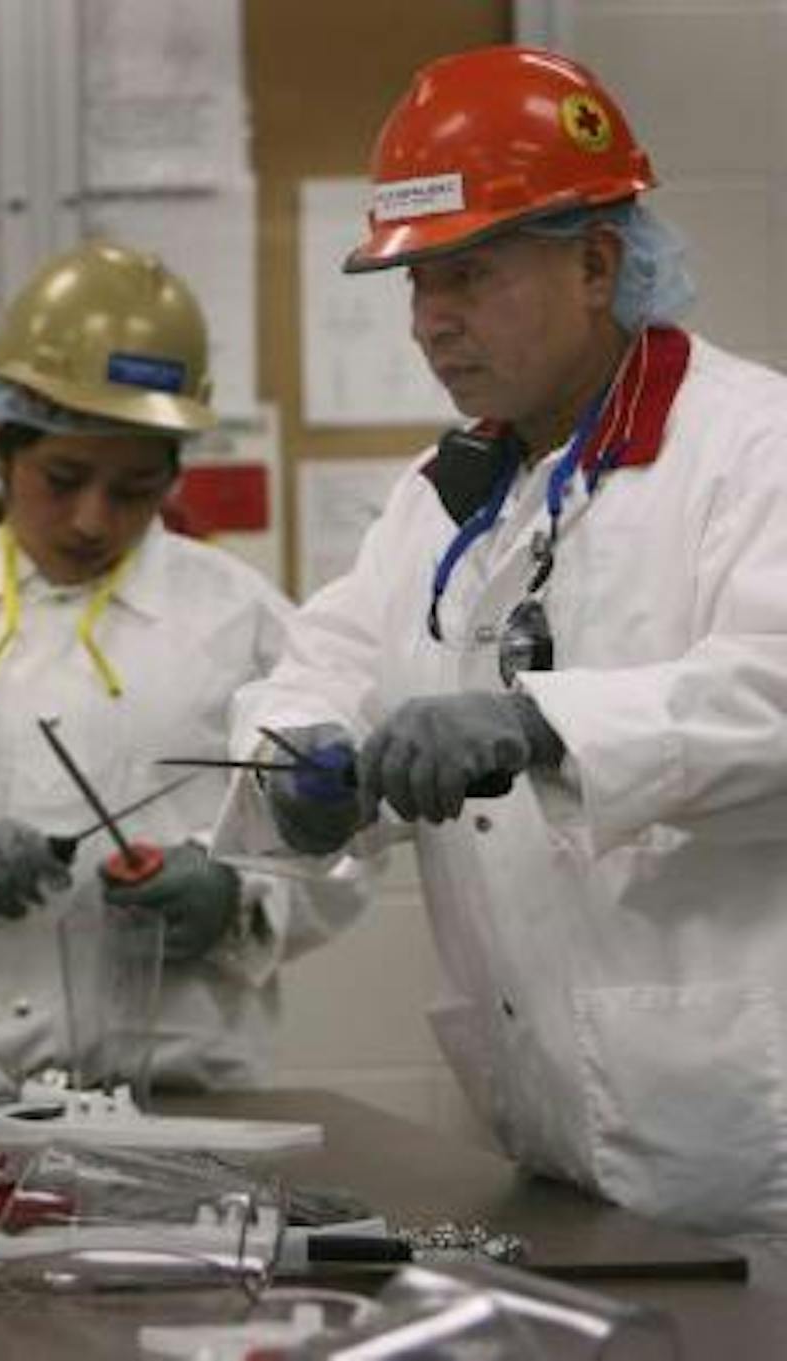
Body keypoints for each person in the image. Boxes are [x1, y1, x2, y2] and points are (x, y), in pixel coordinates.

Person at [217, 45, 787, 1237]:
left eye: (468, 276)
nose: (430, 323)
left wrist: (538, 722)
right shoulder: (444, 494)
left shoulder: (753, 449)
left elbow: (771, 692)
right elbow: (319, 669)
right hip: (541, 1147)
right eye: (414, 284)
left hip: (749, 1159)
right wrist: (300, 761)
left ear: (595, 263)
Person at [0, 241, 369, 1107]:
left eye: (133, 489)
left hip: (175, 1109)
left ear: (174, 472)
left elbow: (337, 826)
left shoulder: (241, 620)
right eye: (63, 478)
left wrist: (236, 894)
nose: (93, 519)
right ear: (2, 444)